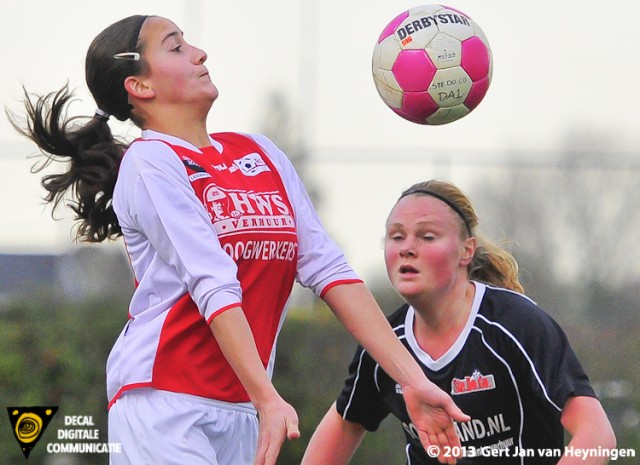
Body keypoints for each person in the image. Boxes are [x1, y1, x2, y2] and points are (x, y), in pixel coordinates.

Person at [8, 15, 470, 465]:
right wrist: (267, 397)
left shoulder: (261, 153)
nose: (199, 52)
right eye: (175, 46)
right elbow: (212, 279)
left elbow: (331, 272)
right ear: (140, 87)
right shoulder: (150, 163)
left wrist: (412, 380)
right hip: (164, 402)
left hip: (242, 406)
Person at [301, 179, 617, 465]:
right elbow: (345, 423)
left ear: (466, 251)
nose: (407, 248)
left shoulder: (516, 324)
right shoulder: (385, 343)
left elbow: (597, 435)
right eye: (396, 236)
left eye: (426, 236)